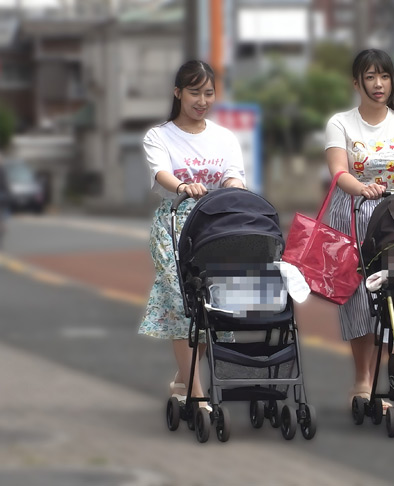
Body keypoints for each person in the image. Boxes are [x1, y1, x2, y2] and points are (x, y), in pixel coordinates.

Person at [324, 49, 394, 409]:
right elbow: (338, 171)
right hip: (352, 213)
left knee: (393, 294)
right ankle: (362, 380)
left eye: (384, 76)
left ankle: (392, 376)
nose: (378, 84)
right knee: (358, 297)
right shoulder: (341, 123)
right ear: (356, 83)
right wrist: (360, 187)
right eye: (370, 77)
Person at [137, 60, 246, 407]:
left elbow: (234, 174)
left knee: (209, 307)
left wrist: (233, 185)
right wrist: (184, 186)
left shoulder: (224, 137)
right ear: (178, 93)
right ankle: (197, 394)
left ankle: (183, 380)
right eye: (194, 92)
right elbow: (161, 174)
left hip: (215, 226)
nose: (202, 100)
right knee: (182, 304)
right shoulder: (159, 136)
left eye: (208, 93)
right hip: (174, 224)